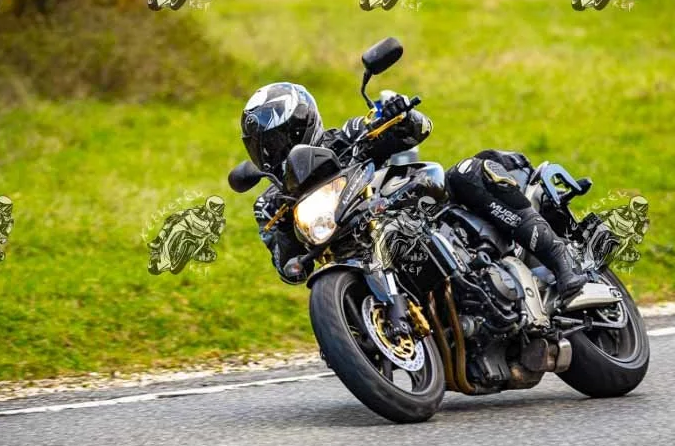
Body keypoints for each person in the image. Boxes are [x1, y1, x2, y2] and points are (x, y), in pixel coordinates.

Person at [241, 82, 601, 313]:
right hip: (353, 245)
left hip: (401, 205)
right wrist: (285, 232)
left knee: (466, 172)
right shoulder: (271, 204)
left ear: (303, 124)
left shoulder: (346, 135)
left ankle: (561, 261)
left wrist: (397, 115)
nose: (275, 151)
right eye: (264, 146)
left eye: (280, 138)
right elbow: (288, 268)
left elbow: (421, 127)